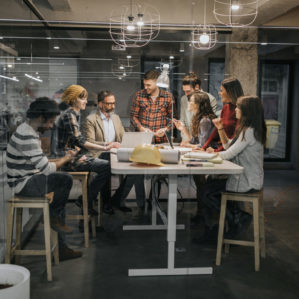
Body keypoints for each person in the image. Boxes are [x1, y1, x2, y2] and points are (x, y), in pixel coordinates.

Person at [6, 97, 82, 261]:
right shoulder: (27, 136)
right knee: (65, 180)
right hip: (23, 185)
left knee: (61, 183)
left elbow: (41, 163)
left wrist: (61, 159)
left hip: (26, 180)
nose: (51, 126)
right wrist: (67, 158)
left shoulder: (28, 131)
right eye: (50, 122)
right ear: (41, 118)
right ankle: (54, 219)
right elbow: (46, 169)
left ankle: (60, 241)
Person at [194, 96, 266, 243]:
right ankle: (225, 224)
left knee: (206, 192)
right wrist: (220, 127)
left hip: (246, 182)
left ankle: (234, 219)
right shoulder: (248, 130)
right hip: (249, 179)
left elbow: (228, 154)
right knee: (208, 188)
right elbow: (229, 147)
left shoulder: (249, 132)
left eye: (239, 108)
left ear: (247, 111)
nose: (236, 110)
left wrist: (206, 155)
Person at [57, 85, 119, 215]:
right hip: (66, 159)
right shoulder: (70, 115)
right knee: (106, 166)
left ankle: (88, 201)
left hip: (72, 156)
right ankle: (85, 200)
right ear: (74, 99)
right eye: (83, 99)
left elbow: (76, 142)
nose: (86, 102)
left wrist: (81, 154)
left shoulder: (74, 114)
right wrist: (105, 147)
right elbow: (80, 141)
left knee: (105, 163)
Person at [83, 90, 145, 212]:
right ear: (100, 104)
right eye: (109, 104)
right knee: (106, 164)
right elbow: (90, 142)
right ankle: (107, 203)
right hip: (99, 153)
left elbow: (123, 137)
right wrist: (108, 144)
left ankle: (116, 199)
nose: (113, 106)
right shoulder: (91, 119)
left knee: (138, 168)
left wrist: (135, 138)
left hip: (116, 153)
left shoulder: (116, 118)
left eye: (114, 103)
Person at [130, 69, 174, 144]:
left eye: (148, 85)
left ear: (157, 83)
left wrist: (166, 129)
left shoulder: (168, 96)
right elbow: (133, 117)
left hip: (161, 141)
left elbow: (173, 118)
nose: (145, 87)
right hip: (142, 141)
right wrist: (141, 128)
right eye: (144, 84)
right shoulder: (139, 95)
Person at [201, 77, 244, 152]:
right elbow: (217, 130)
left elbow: (235, 140)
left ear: (230, 92)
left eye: (221, 90)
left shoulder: (240, 111)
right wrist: (204, 147)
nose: (219, 93)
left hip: (229, 152)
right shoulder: (226, 107)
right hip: (221, 150)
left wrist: (216, 152)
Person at [180, 72, 217, 141]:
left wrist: (193, 142)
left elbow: (209, 124)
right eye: (184, 91)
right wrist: (186, 139)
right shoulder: (183, 99)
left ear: (197, 87)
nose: (186, 94)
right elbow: (183, 121)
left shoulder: (210, 99)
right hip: (187, 139)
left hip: (202, 139)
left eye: (188, 91)